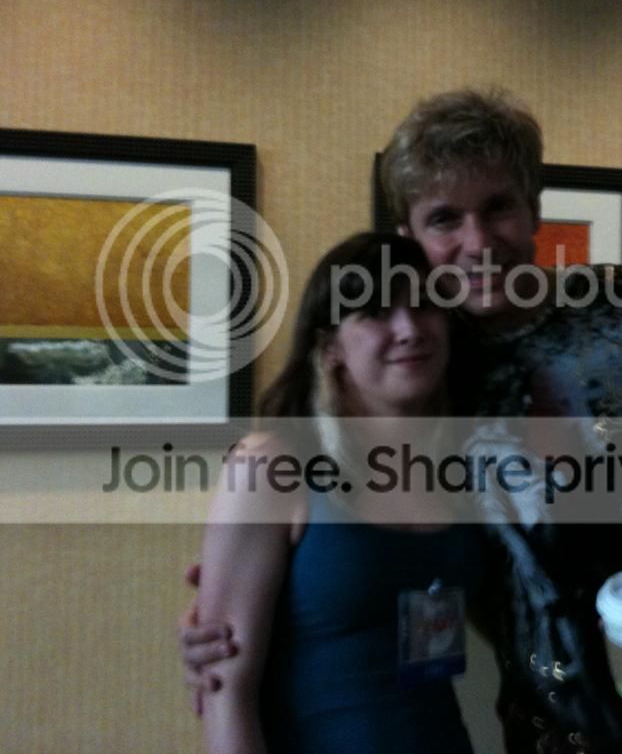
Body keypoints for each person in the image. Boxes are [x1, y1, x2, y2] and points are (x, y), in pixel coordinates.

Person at [182, 89, 622, 753]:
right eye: (444, 219)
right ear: (411, 239)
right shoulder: (423, 374)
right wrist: (222, 620)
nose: (478, 243)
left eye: (498, 208)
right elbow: (350, 537)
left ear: (534, 209)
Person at [196, 231, 482, 754]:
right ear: (330, 348)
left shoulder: (461, 469)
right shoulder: (272, 465)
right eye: (377, 313)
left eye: (424, 306)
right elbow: (223, 693)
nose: (410, 329)